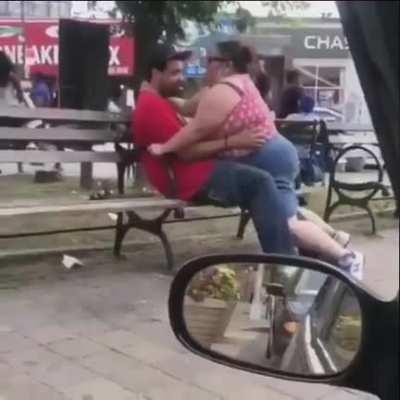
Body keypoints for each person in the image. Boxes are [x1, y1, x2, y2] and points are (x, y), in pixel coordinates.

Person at [148, 41, 363, 277]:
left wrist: (164, 147)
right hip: (276, 154)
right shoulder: (230, 85)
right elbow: (188, 107)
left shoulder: (224, 90)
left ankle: (346, 259)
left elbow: (196, 130)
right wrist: (163, 99)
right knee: (285, 212)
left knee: (284, 223)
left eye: (209, 61)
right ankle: (334, 240)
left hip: (266, 158)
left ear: (225, 65)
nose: (204, 66)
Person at [134, 43, 295, 256]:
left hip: (193, 171)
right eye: (175, 73)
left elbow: (186, 118)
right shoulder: (151, 106)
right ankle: (284, 262)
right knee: (260, 183)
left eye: (182, 71)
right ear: (155, 74)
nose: (182, 79)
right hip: (185, 179)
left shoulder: (158, 102)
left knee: (263, 182)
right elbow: (187, 152)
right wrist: (233, 141)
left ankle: (290, 252)